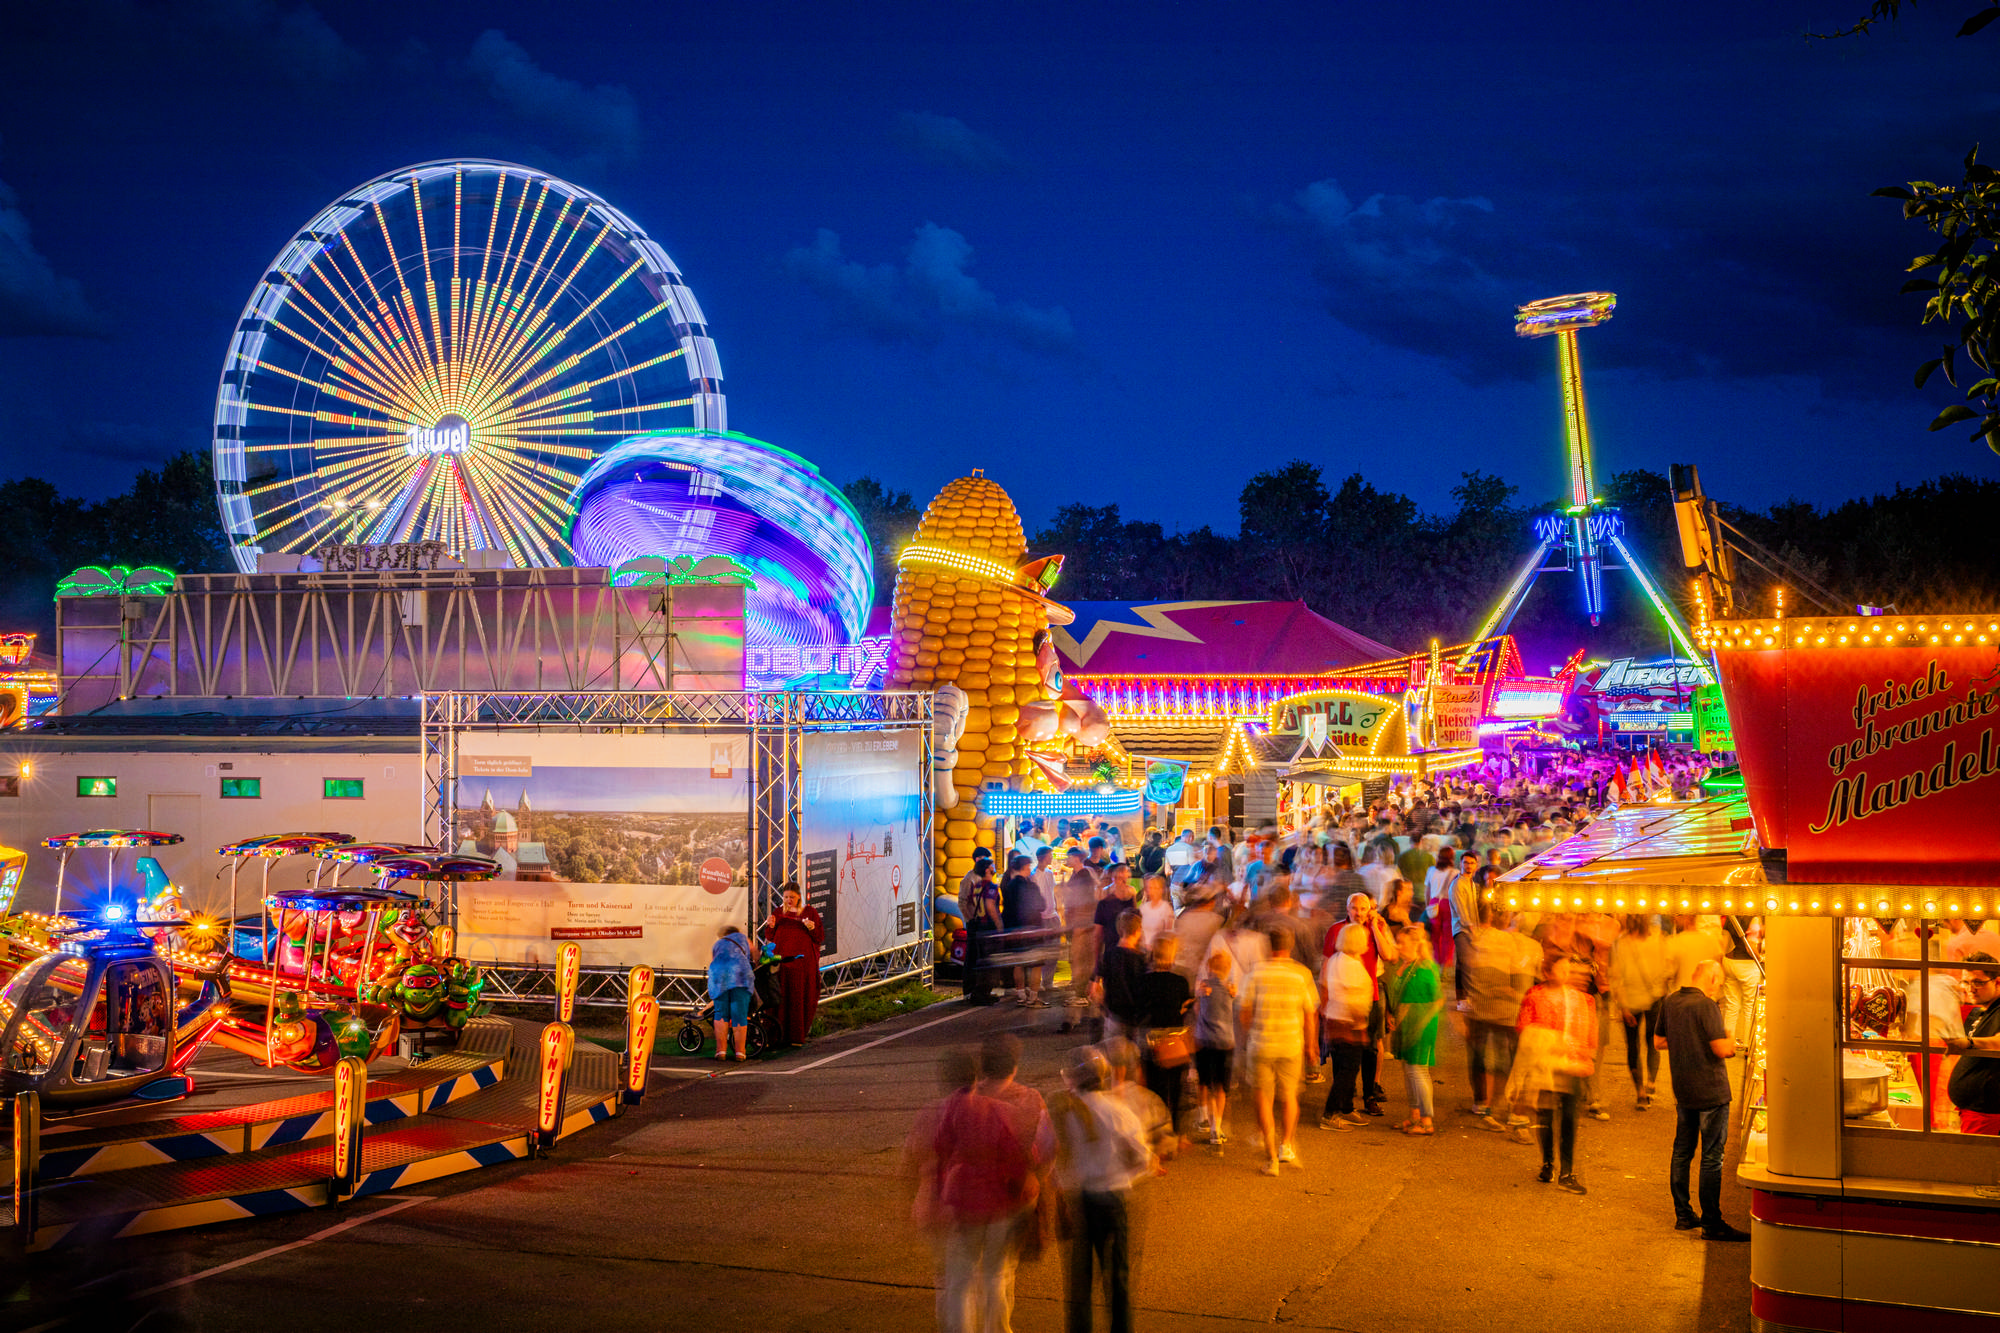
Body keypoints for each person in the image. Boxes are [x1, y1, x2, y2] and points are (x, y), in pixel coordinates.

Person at [932, 1049, 1040, 1331]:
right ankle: (998, 1328)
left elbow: (940, 1149)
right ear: (977, 1077)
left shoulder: (950, 1109)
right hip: (999, 1200)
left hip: (965, 1198)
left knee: (961, 1278)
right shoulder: (995, 1109)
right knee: (997, 1274)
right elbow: (1016, 1153)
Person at [1048, 1048, 1150, 1333]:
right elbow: (1142, 1157)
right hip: (1112, 1198)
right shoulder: (1118, 1110)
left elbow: (1046, 1155)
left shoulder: (1060, 1111)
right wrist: (1125, 1174)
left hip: (1075, 1201)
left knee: (1078, 1279)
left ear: (1072, 1077)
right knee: (1117, 1276)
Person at [1656, 959, 1750, 1241]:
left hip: (1683, 1090)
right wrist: (1731, 1043)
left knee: (1682, 1151)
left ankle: (1683, 1215)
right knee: (1712, 1157)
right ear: (1711, 978)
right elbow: (1721, 1049)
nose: (1718, 988)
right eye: (1719, 983)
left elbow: (1659, 1042)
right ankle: (1712, 1222)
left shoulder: (1671, 1001)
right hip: (1711, 1091)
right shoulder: (1706, 1006)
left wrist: (1688, 1040)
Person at [904, 1049, 980, 1332]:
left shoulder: (928, 1113)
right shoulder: (982, 1111)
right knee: (965, 1280)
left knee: (944, 1280)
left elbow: (909, 1162)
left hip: (929, 1206)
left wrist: (908, 1205)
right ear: (974, 1080)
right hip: (965, 1208)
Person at [1241, 925, 1319, 1176]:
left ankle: (1271, 1158)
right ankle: (1287, 1145)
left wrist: (1249, 1033)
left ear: (1268, 946)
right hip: (1291, 1043)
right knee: (1289, 1096)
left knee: (1263, 1097)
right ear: (1290, 944)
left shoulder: (1256, 973)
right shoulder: (1301, 974)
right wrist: (1311, 1045)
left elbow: (1245, 1010)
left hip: (1261, 1043)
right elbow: (1310, 1015)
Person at [1518, 954, 1595, 1195]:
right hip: (1545, 1065)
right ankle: (1548, 1163)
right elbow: (1523, 1026)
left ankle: (1567, 1172)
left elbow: (1589, 1031)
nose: (1565, 974)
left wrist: (1586, 1056)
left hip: (1571, 1065)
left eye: (1567, 970)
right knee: (1546, 1117)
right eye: (1560, 969)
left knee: (1570, 1118)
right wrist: (1551, 1041)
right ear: (1548, 972)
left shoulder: (1581, 999)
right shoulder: (1534, 996)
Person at [1385, 924, 1444, 1135]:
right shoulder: (1405, 966)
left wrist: (1420, 1022)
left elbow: (1437, 1000)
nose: (1398, 946)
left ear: (1414, 944)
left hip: (1421, 1025)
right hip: (1406, 1025)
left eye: (1401, 942)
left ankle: (1427, 1121)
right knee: (1409, 1071)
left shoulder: (1425, 968)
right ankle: (1414, 1115)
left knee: (1418, 1071)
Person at [1611, 915, 1672, 1109]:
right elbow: (1667, 969)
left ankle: (1641, 1092)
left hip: (1630, 1000)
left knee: (1633, 1045)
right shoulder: (1658, 939)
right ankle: (1650, 1084)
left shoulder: (1620, 943)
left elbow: (1616, 975)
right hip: (1654, 997)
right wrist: (1659, 988)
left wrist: (1622, 1005)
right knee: (1652, 1041)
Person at [1318, 924, 1373, 1131]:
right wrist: (1359, 1017)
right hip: (1348, 1024)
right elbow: (1352, 996)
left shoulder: (1336, 960)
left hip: (1337, 1021)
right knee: (1347, 1071)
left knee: (1344, 1068)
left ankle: (1346, 1107)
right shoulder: (1350, 965)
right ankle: (1330, 1113)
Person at [1138, 933, 1193, 1142]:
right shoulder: (1180, 981)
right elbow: (1184, 1007)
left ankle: (1156, 1132)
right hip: (1175, 1040)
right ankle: (1175, 1130)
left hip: (1151, 1039)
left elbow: (1139, 1008)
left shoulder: (1144, 981)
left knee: (1154, 1088)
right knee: (1176, 1088)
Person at [761, 882, 825, 1045]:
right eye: (786, 897)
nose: (789, 900)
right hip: (782, 962)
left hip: (802, 963)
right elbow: (770, 936)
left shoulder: (810, 912)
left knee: (798, 997)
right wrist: (771, 926)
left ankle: (796, 1035)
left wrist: (811, 928)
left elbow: (819, 937)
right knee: (780, 997)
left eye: (792, 897)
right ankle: (776, 1035)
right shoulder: (778, 912)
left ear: (799, 897)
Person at [1945, 953, 2000, 1135]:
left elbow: (1997, 1043)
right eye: (1965, 982)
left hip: (1987, 1113)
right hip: (1972, 1112)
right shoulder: (1978, 1011)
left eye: (1978, 982)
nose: (1970, 989)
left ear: (1997, 982)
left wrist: (1967, 1043)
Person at [1192, 945, 1238, 1148]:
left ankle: (1203, 1116)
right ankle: (1216, 1129)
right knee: (1220, 1088)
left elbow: (1195, 1009)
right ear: (1227, 969)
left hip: (1204, 1041)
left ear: (1209, 968)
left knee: (1204, 1081)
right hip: (1225, 1042)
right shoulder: (1231, 988)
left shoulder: (1203, 987)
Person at [1059, 848, 1102, 1031]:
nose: (1067, 859)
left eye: (1069, 856)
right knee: (1080, 960)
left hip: (1082, 924)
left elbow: (1081, 900)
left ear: (1076, 858)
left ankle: (1083, 999)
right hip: (1079, 923)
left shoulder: (1083, 875)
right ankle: (1084, 999)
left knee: (1081, 960)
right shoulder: (1079, 875)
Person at [1094, 909, 1148, 1045]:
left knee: (1115, 1055)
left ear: (1120, 930)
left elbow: (1098, 986)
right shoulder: (1140, 958)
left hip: (1114, 1013)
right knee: (1134, 1056)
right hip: (1135, 1015)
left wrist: (1103, 1004)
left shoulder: (1108, 955)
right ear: (1138, 931)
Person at [706, 923, 757, 1062]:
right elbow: (755, 955)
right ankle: (740, 1052)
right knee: (739, 1014)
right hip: (740, 977)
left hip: (719, 978)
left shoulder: (717, 944)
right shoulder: (744, 939)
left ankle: (720, 1051)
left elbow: (714, 960)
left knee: (721, 1014)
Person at [1136, 874, 1176, 952]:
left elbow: (1168, 933)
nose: (1151, 891)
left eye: (1155, 888)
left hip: (1157, 951)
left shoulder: (1166, 909)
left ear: (1161, 890)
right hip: (1142, 950)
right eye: (1149, 888)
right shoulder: (1143, 908)